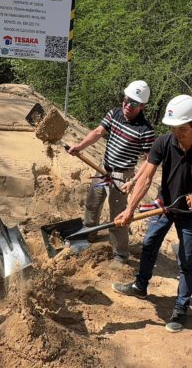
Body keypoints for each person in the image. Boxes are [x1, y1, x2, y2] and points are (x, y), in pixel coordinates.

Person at [111, 95, 192, 332]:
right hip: (163, 206)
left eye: (182, 129)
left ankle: (180, 308)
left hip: (190, 212)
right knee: (149, 245)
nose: (176, 133)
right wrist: (129, 209)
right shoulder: (163, 142)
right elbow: (146, 177)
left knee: (187, 260)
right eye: (173, 128)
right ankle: (140, 286)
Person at [66, 80, 156, 264]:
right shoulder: (114, 113)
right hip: (103, 170)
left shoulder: (145, 130)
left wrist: (134, 180)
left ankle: (120, 255)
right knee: (92, 204)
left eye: (133, 103)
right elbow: (99, 131)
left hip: (121, 176)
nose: (127, 105)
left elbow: (149, 160)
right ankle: (88, 236)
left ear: (142, 106)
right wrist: (79, 146)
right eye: (126, 99)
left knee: (118, 216)